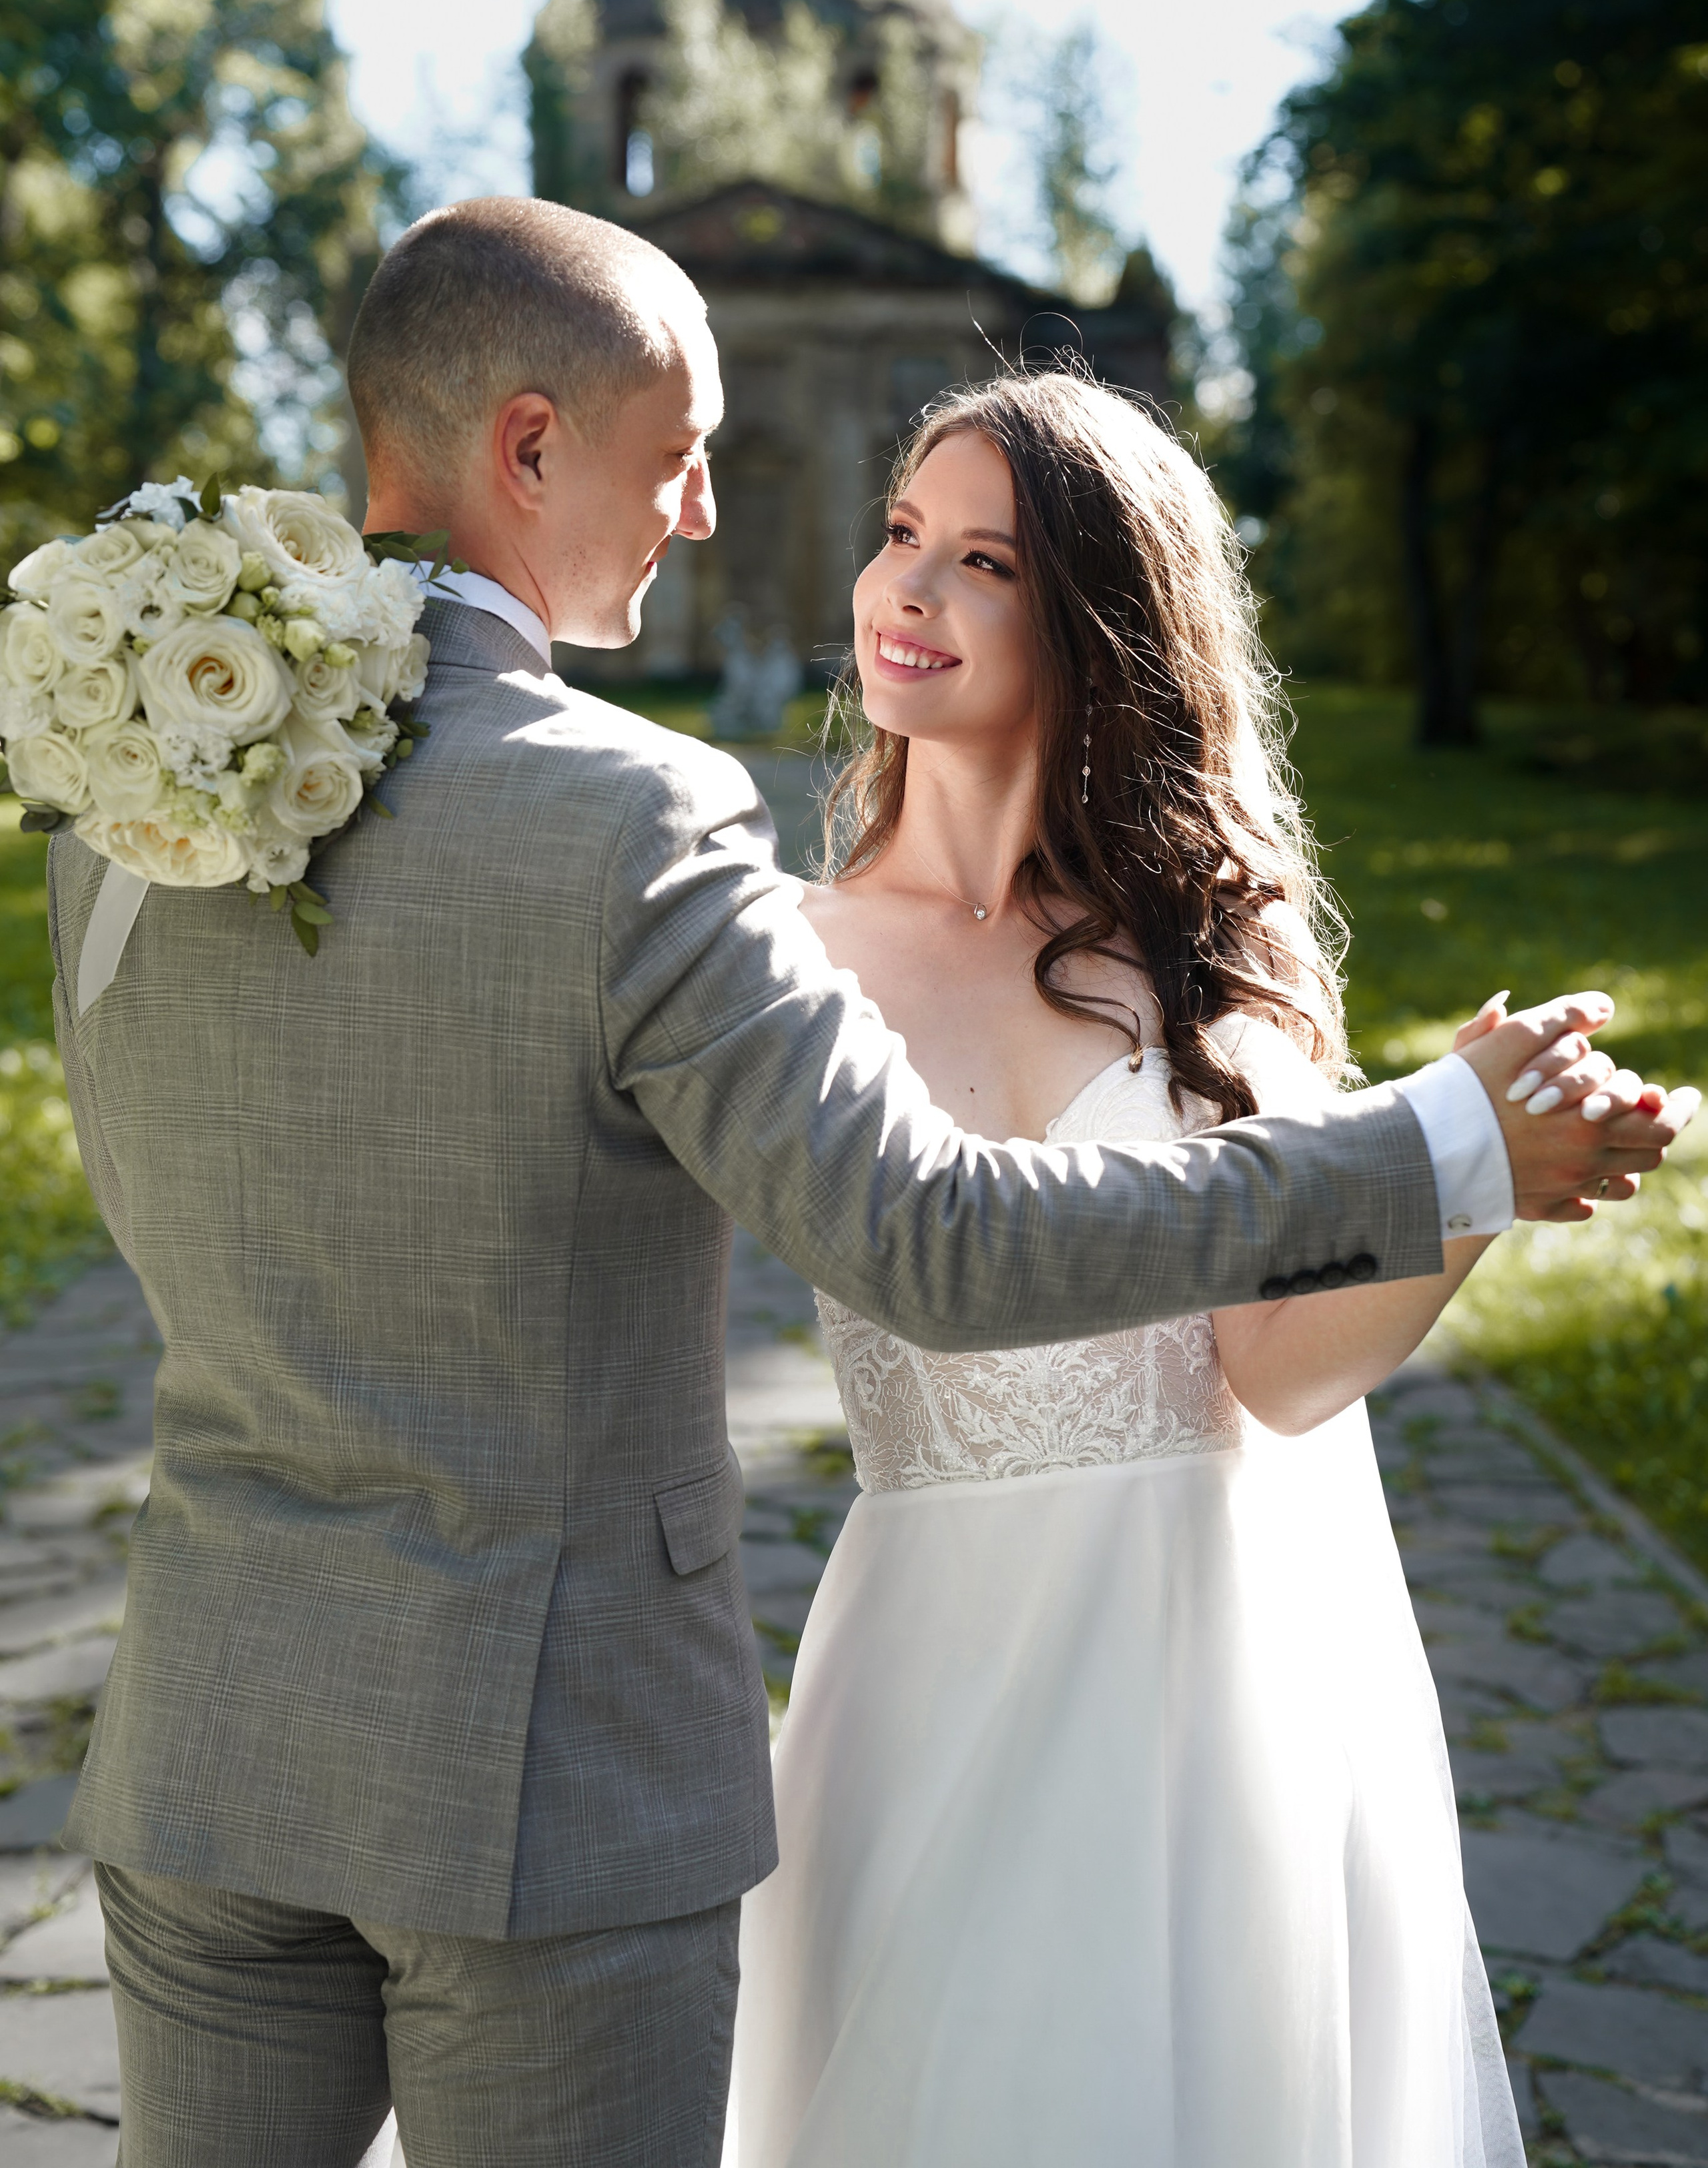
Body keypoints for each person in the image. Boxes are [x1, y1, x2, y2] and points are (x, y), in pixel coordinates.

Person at [45, 202, 1689, 2167]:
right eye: (681, 454)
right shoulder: (642, 826)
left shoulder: (130, 775)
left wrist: (1460, 1182)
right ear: (533, 447)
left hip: (212, 1731)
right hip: (555, 1771)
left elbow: (203, 1199)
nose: (719, 513)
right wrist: (1436, 1146)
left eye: (974, 553)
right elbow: (934, 1241)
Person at [727, 374, 1695, 2167]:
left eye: (986, 561)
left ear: (1101, 622)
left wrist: (1478, 1179)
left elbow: (1279, 1375)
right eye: (900, 537)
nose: (908, 591)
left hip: (1220, 1661)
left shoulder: (1216, 945)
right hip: (940, 1661)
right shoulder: (783, 955)